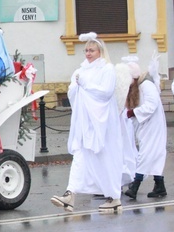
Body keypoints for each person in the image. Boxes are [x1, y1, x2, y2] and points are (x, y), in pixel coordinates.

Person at [51, 32, 125, 214]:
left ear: (100, 51)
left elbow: (105, 93)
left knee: (105, 159)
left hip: (102, 124)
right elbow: (73, 93)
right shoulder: (81, 70)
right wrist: (76, 87)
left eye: (91, 50)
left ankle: (114, 197)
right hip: (84, 124)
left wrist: (85, 85)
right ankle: (70, 195)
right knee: (80, 156)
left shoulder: (106, 70)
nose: (88, 53)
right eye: (86, 50)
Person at [122, 61, 167, 200]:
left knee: (146, 153)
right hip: (146, 125)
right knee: (154, 154)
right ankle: (160, 186)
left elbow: (152, 105)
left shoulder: (146, 85)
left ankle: (135, 186)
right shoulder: (137, 87)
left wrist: (135, 112)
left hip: (153, 125)